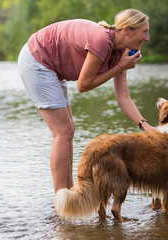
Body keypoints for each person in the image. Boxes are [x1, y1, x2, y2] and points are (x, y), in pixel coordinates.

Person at [17, 9, 155, 193]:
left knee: (68, 131)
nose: (147, 38)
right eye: (144, 32)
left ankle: (71, 192)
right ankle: (61, 200)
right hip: (37, 60)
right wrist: (120, 66)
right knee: (63, 131)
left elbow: (123, 97)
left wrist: (146, 126)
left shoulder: (122, 52)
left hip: (53, 66)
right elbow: (83, 85)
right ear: (127, 30)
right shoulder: (102, 41)